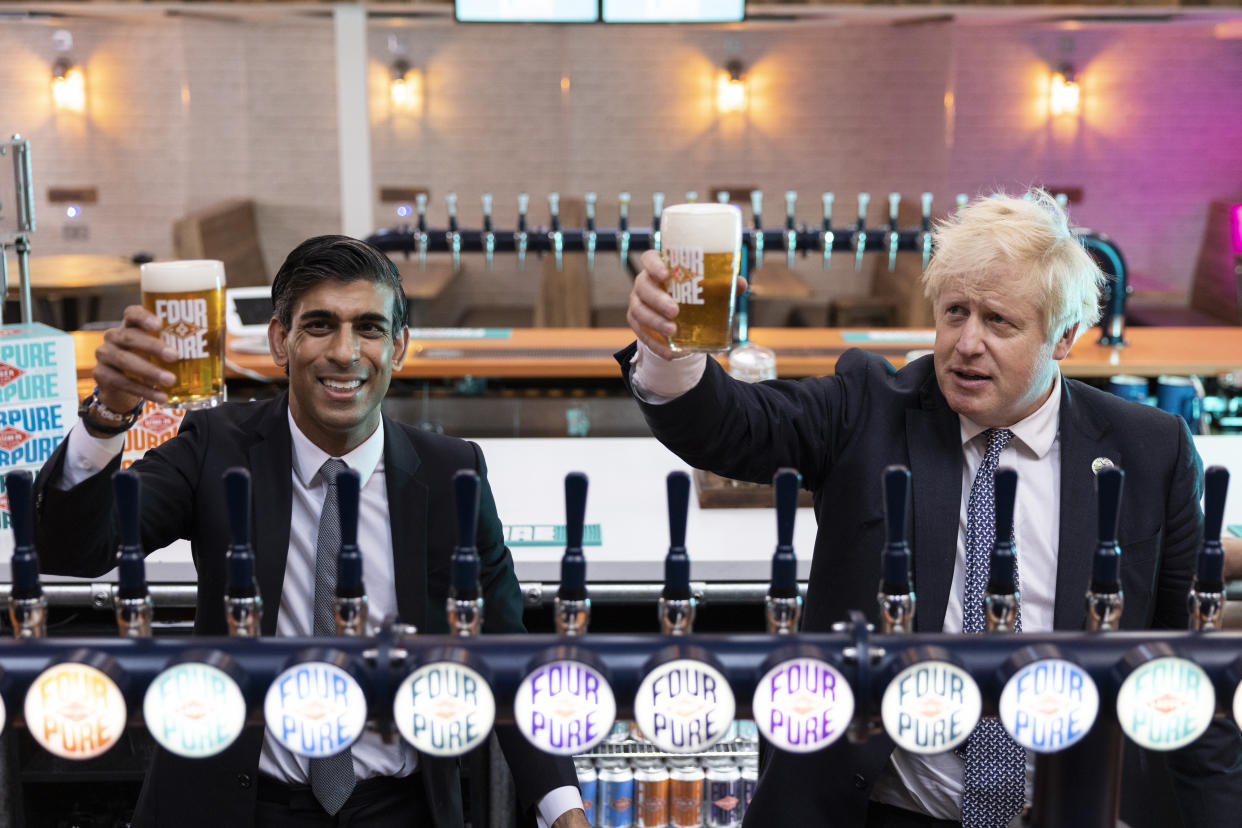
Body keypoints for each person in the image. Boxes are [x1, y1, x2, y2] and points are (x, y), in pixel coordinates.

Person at [619, 189, 1242, 828]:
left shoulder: (1149, 450)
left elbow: (1184, 667)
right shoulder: (868, 408)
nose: (967, 343)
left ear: (1064, 337)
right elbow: (726, 426)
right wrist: (670, 354)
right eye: (954, 313)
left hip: (1068, 806)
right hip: (884, 807)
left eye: (998, 321)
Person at [33, 236, 588, 828]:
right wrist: (106, 417)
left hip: (400, 807)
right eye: (319, 325)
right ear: (280, 340)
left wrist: (566, 811)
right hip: (236, 804)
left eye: (370, 328)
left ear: (399, 347)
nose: (345, 352)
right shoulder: (215, 446)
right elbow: (77, 548)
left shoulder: (453, 472)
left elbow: (510, 651)